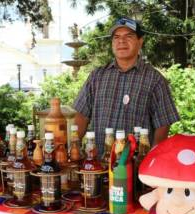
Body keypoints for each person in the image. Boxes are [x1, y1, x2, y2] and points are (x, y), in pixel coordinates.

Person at [73, 17, 180, 157]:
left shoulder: (155, 80)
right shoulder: (96, 76)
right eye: (116, 37)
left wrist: (151, 160)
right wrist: (74, 149)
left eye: (128, 36)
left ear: (140, 42)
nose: (121, 41)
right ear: (112, 43)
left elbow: (163, 126)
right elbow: (81, 115)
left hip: (135, 166)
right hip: (99, 164)